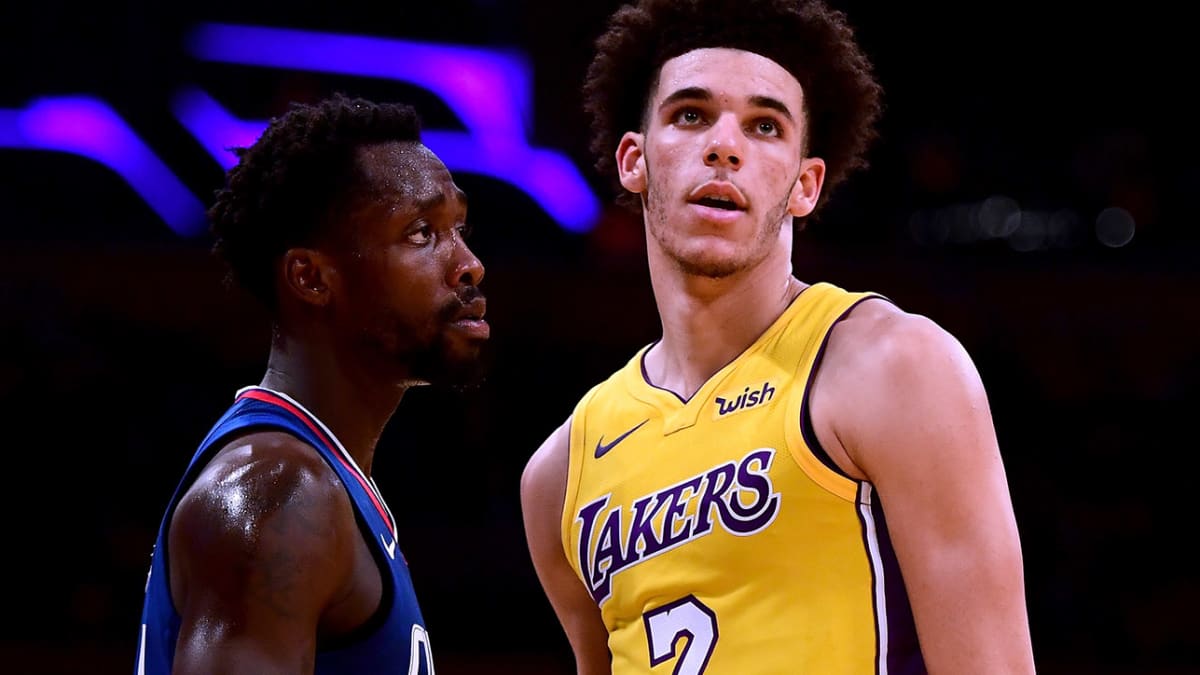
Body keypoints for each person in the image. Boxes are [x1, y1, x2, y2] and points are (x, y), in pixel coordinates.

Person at [519, 1, 1037, 673]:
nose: (724, 145)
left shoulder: (893, 366)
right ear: (633, 160)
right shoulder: (559, 474)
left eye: (765, 125)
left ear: (805, 184)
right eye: (690, 115)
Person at [134, 94, 488, 674]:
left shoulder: (319, 479)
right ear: (311, 278)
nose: (469, 264)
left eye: (460, 228)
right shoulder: (278, 492)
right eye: (423, 233)